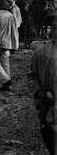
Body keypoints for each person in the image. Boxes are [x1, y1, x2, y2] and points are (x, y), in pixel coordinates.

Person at [29, 12, 56, 154]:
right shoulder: (41, 52)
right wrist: (40, 93)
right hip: (49, 108)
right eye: (55, 27)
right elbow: (32, 76)